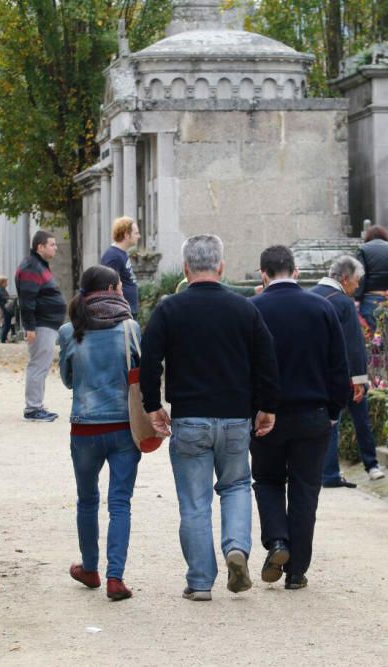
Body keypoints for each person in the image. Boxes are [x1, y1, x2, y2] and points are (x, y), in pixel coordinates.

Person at [140, 234, 280, 602]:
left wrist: (153, 405)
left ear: (186, 269)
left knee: (194, 502)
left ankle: (200, 581)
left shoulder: (169, 309)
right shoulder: (246, 309)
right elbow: (267, 361)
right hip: (235, 418)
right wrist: (266, 407)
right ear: (221, 266)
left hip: (189, 419)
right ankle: (236, 548)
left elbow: (149, 358)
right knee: (235, 487)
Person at [250, 245, 352, 591]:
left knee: (267, 480)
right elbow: (339, 367)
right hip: (313, 413)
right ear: (295, 271)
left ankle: (277, 541)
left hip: (266, 414)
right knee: (306, 489)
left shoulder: (253, 309)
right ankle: (297, 570)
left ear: (263, 274)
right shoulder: (322, 307)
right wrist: (335, 410)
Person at [59, 266, 140, 601]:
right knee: (120, 502)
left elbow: (67, 379)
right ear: (111, 287)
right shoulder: (130, 328)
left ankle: (89, 567)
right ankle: (115, 577)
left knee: (87, 500)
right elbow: (140, 370)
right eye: (120, 286)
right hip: (124, 426)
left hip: (84, 427)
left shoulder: (69, 330)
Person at [312, 256, 386, 485]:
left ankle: (326, 471)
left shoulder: (309, 296)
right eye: (356, 281)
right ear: (344, 279)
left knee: (328, 423)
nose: (357, 286)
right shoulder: (343, 302)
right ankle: (370, 465)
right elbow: (353, 344)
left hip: (318, 374)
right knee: (360, 419)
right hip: (345, 374)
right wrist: (359, 380)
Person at [16, 230, 67, 422]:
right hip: (41, 324)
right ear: (40, 247)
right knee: (38, 365)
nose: (55, 248)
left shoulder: (39, 266)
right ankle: (33, 409)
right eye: (52, 245)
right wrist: (30, 327)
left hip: (46, 323)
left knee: (42, 365)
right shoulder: (32, 267)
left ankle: (36, 404)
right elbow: (27, 299)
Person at [99, 217, 140, 316]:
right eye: (136, 233)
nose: (139, 236)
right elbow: (109, 287)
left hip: (127, 310)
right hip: (121, 313)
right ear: (126, 235)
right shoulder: (113, 256)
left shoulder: (121, 254)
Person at [0, 276, 14, 344]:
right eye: (5, 282)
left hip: (4, 310)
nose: (7, 283)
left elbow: (6, 298)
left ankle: (2, 339)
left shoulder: (4, 290)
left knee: (5, 325)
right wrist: (1, 313)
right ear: (1, 283)